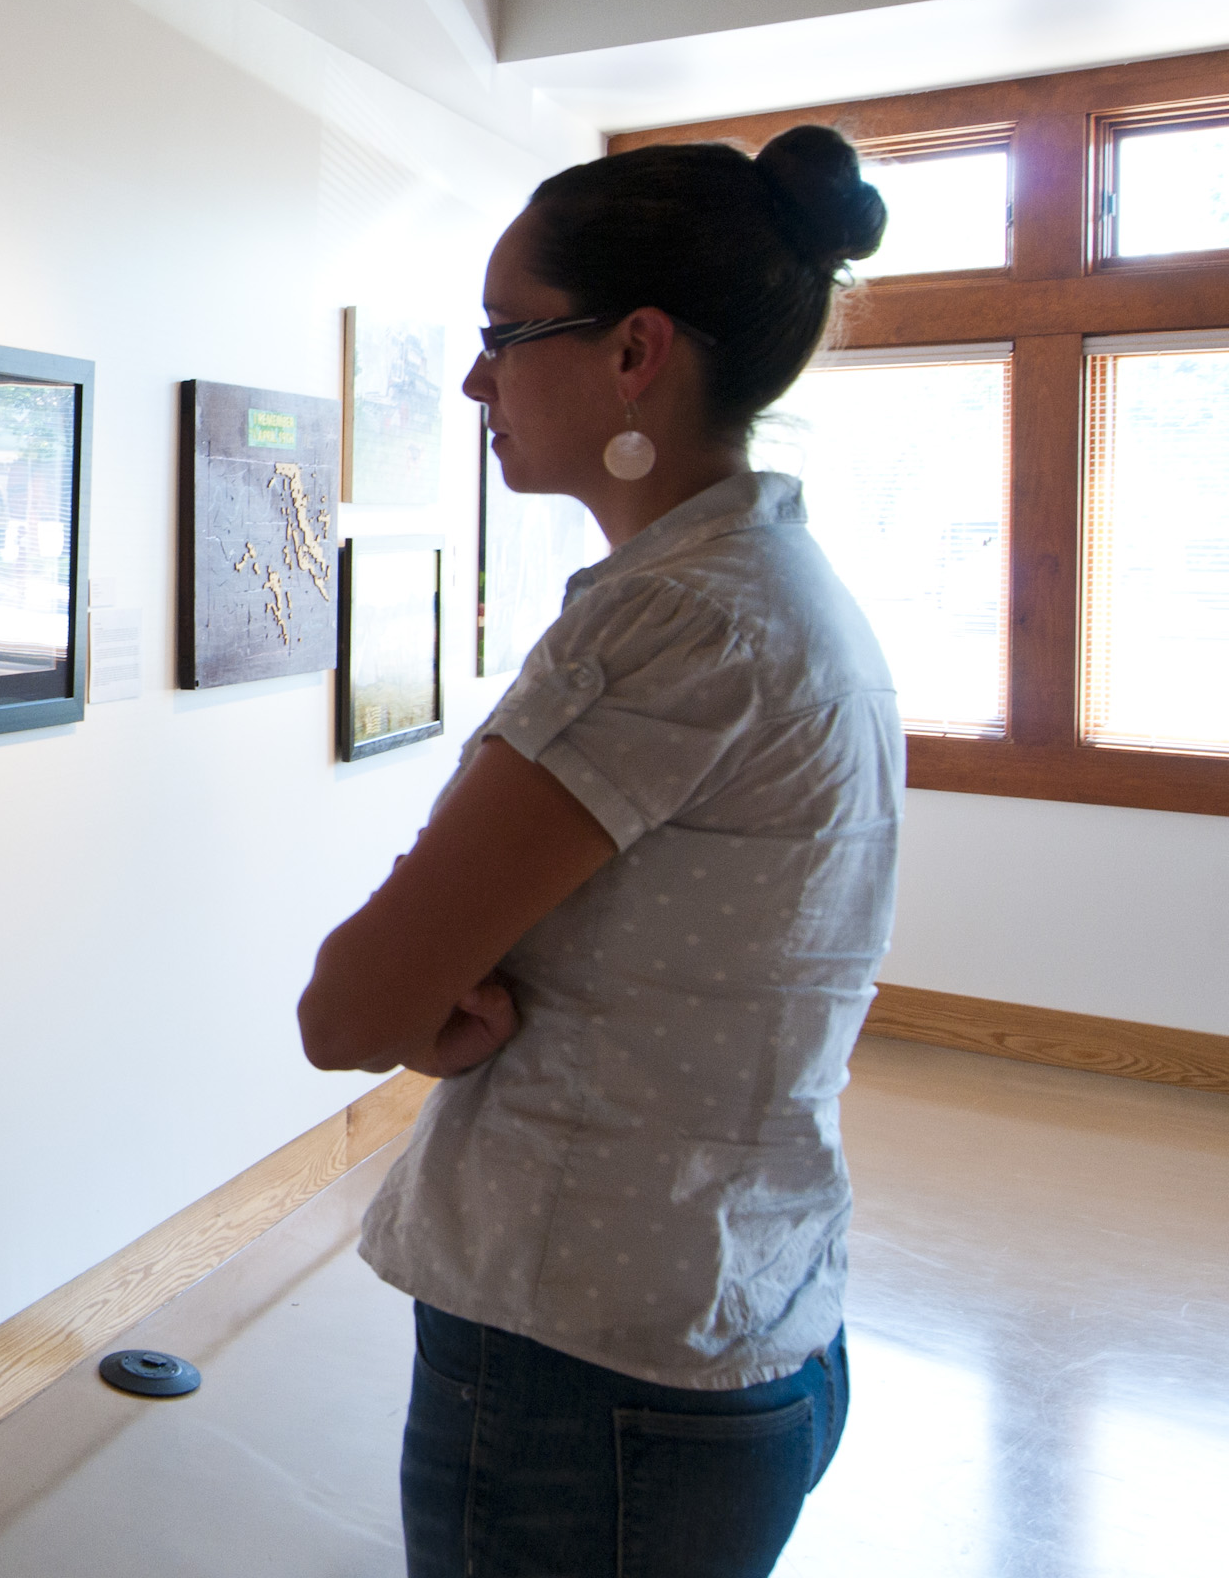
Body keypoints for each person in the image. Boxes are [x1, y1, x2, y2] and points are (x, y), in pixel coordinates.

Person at [297, 125, 900, 1578]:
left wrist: (429, 1005)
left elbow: (352, 1008)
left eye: (509, 335)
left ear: (636, 353)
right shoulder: (766, 588)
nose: (474, 380)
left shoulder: (682, 621)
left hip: (594, 1364)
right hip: (723, 1310)